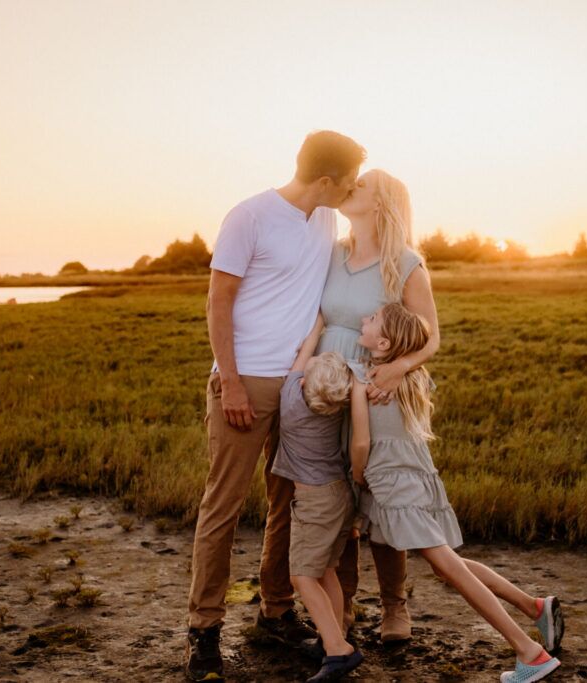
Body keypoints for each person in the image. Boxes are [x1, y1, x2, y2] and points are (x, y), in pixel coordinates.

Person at [186, 131, 366, 682]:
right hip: (246, 383)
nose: (354, 189)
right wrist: (232, 383)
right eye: (350, 180)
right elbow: (218, 301)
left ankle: (277, 610)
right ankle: (204, 631)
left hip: (300, 389)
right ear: (328, 181)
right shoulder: (249, 217)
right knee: (223, 505)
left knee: (289, 503)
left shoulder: (326, 220)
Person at [349, 303, 565, 683]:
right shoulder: (412, 376)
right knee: (448, 565)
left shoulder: (366, 378)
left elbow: (362, 441)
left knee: (450, 567)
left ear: (382, 343)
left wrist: (357, 473)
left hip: (392, 482)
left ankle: (529, 652)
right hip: (419, 478)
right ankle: (533, 608)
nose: (363, 320)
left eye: (371, 320)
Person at [317, 169, 440, 642]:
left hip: (378, 389)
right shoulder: (332, 254)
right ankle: (343, 605)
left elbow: (430, 336)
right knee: (337, 496)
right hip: (328, 386)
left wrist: (397, 368)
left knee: (384, 496)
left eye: (362, 186)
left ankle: (394, 606)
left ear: (382, 204)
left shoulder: (405, 263)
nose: (351, 188)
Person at [270, 323, 365, 682]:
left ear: (307, 385)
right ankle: (333, 638)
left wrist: (317, 326)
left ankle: (340, 651)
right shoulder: (335, 410)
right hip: (341, 494)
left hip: (314, 501)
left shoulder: (292, 401)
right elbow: (311, 370)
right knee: (326, 571)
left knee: (302, 576)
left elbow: (301, 356)